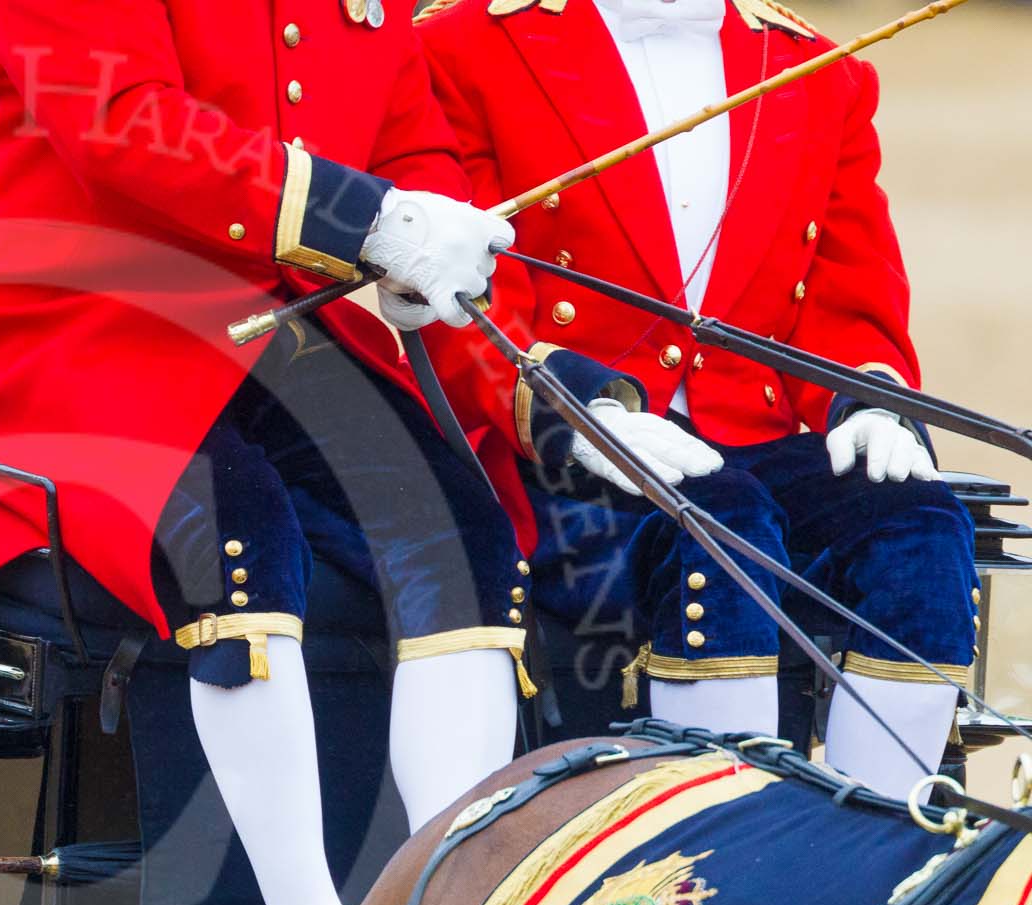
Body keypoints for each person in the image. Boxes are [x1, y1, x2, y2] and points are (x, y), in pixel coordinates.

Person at [0, 2, 710, 905]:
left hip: (268, 340)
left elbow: (410, 145)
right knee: (234, 541)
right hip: (73, 333)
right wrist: (367, 222)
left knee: (458, 531)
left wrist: (532, 373)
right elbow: (119, 120)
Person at [416, 0, 976, 795]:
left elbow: (846, 297)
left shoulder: (821, 67)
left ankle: (876, 854)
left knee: (923, 528)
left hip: (750, 429)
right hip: (563, 440)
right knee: (722, 524)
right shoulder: (466, 45)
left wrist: (874, 399)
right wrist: (577, 408)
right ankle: (714, 864)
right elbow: (463, 301)